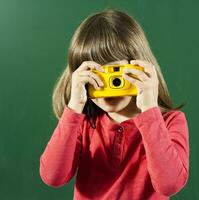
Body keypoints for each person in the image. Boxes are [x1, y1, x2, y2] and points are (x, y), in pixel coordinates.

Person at [39, 8, 189, 200]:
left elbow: (169, 184)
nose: (106, 86)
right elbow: (53, 177)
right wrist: (74, 107)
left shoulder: (170, 122)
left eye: (115, 74)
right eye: (96, 77)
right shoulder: (82, 123)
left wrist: (149, 111)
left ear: (140, 66)